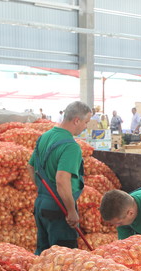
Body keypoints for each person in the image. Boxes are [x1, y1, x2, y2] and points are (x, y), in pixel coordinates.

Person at [27, 101, 92, 255]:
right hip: (59, 208)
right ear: (76, 120)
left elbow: (30, 166)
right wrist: (71, 211)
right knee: (64, 260)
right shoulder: (71, 146)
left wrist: (43, 191)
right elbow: (62, 180)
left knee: (43, 254)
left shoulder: (44, 137)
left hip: (42, 204)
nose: (85, 127)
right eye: (86, 122)